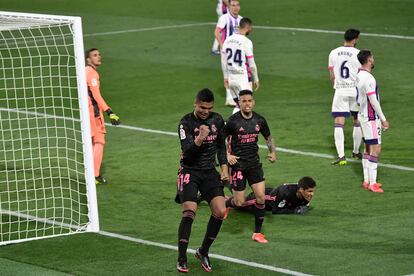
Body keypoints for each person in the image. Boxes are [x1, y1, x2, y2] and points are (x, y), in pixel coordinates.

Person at [175, 88, 229, 273]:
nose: (206, 111)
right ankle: (182, 258)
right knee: (190, 212)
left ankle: (203, 251)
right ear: (195, 103)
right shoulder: (185, 123)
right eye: (202, 107)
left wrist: (224, 168)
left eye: (209, 107)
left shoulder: (217, 120)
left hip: (209, 172)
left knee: (221, 211)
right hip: (190, 171)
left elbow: (222, 146)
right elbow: (187, 155)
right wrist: (199, 139)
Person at [224, 90, 276, 243]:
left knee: (260, 198)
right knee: (239, 202)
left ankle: (257, 233)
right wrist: (227, 156)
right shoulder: (233, 121)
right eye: (244, 101)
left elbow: (268, 137)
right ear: (239, 103)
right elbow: (218, 140)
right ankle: (227, 202)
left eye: (249, 101)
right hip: (238, 166)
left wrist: (272, 152)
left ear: (253, 102)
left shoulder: (260, 120)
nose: (247, 103)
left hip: (254, 164)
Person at [85, 48, 120, 185]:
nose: (98, 57)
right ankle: (94, 176)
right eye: (94, 55)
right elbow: (96, 95)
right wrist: (109, 111)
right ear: (88, 59)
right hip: (93, 113)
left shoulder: (84, 71)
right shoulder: (92, 74)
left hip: (85, 111)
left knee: (92, 143)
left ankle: (92, 174)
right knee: (99, 142)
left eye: (99, 54)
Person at [356, 50, 389, 193]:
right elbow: (373, 101)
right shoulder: (369, 78)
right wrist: (383, 119)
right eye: (372, 57)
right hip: (371, 118)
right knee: (376, 149)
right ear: (369, 60)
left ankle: (366, 180)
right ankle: (373, 184)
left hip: (362, 116)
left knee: (368, 147)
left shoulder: (358, 75)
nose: (374, 59)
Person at [328, 28, 363, 165]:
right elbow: (362, 74)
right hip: (355, 91)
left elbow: (332, 75)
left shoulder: (333, 52)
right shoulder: (359, 53)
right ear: (355, 39)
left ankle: (341, 156)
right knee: (357, 120)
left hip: (340, 91)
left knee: (339, 123)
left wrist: (337, 86)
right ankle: (355, 151)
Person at [221, 18, 259, 114]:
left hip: (231, 79)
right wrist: (256, 79)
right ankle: (233, 126)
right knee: (247, 106)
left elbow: (223, 61)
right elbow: (252, 64)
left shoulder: (227, 40)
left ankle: (231, 126)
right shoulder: (246, 41)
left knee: (239, 106)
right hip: (242, 79)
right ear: (248, 27)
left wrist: (225, 77)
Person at [235, 177, 316, 215]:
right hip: (263, 197)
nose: (312, 194)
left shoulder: (306, 196)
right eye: (310, 191)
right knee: (240, 203)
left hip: (273, 197)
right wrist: (294, 211)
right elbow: (275, 211)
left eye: (313, 191)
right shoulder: (286, 193)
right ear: (301, 190)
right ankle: (226, 202)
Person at [215, 0, 242, 107]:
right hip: (227, 52)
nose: (235, 7)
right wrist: (221, 45)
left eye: (237, 5)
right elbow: (217, 32)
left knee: (236, 73)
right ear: (229, 6)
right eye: (233, 5)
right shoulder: (224, 18)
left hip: (237, 52)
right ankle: (229, 98)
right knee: (227, 74)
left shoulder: (240, 19)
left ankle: (235, 96)